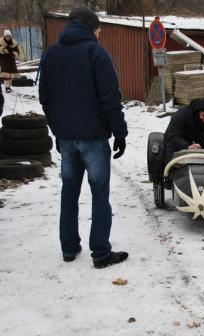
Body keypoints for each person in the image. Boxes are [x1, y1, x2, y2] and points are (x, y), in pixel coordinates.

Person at [39, 6, 128, 268]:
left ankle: (68, 248)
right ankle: (100, 253)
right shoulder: (96, 53)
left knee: (69, 193)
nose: (100, 35)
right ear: (91, 28)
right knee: (100, 195)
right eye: (99, 30)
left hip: (66, 138)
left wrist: (57, 129)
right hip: (93, 139)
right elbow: (110, 98)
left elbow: (45, 98)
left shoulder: (51, 53)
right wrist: (120, 133)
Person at [163, 96, 204, 165]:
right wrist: (187, 146)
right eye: (203, 116)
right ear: (198, 111)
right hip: (178, 146)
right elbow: (173, 136)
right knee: (173, 165)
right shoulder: (181, 115)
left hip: (201, 148)